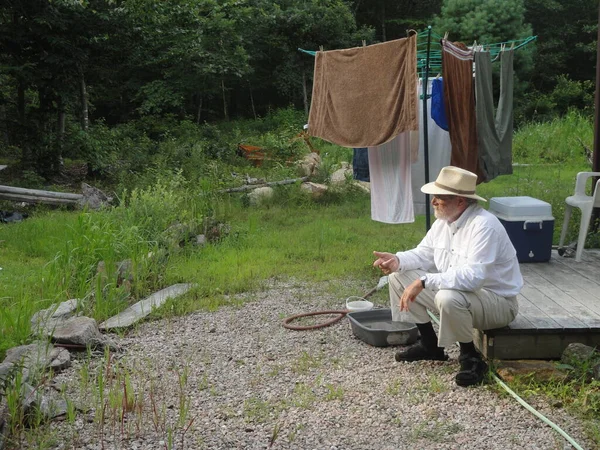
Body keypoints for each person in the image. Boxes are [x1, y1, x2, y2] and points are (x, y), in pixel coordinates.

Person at [373, 166, 523, 387]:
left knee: (448, 297)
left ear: (461, 202)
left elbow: (473, 278)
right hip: (470, 297)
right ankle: (429, 345)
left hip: (498, 303)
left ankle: (471, 358)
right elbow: (424, 253)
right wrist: (397, 260)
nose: (433, 201)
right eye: (434, 196)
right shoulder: (444, 223)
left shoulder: (484, 226)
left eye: (439, 197)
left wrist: (424, 281)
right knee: (398, 277)